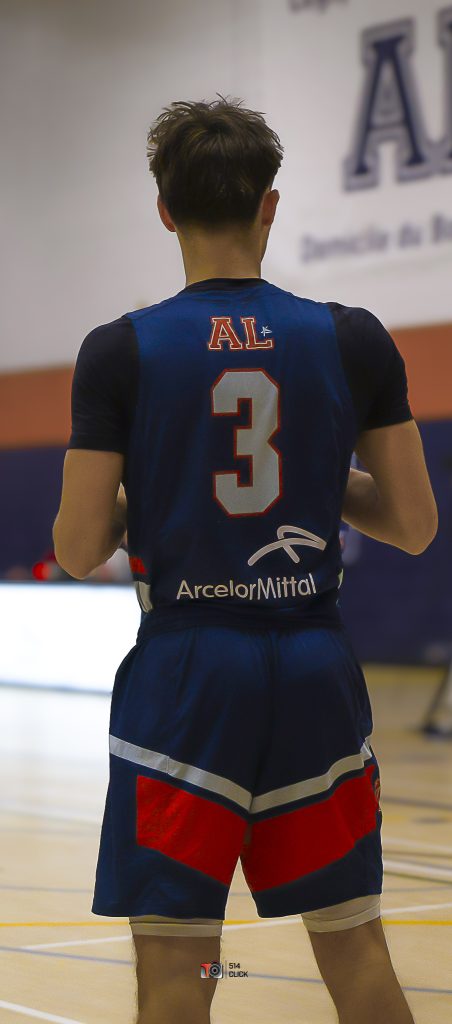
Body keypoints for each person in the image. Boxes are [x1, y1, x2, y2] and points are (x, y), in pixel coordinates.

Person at [53, 97, 437, 1024]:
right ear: (270, 206)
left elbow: (74, 548)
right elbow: (415, 525)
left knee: (177, 978)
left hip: (185, 676)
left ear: (164, 211)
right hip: (312, 665)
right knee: (356, 956)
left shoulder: (120, 352)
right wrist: (315, 481)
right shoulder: (353, 338)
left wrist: (159, 488)